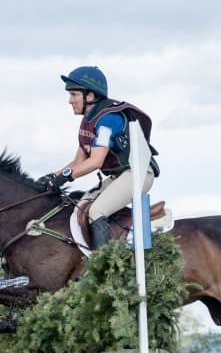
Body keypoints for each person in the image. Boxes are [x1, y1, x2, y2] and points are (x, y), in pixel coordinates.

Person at [37, 66, 158, 250]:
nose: (70, 101)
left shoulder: (108, 120)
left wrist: (65, 177)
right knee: (81, 207)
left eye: (74, 94)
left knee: (96, 211)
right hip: (120, 176)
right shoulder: (88, 120)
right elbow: (78, 162)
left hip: (138, 174)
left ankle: (104, 264)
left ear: (91, 96)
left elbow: (96, 161)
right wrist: (53, 176)